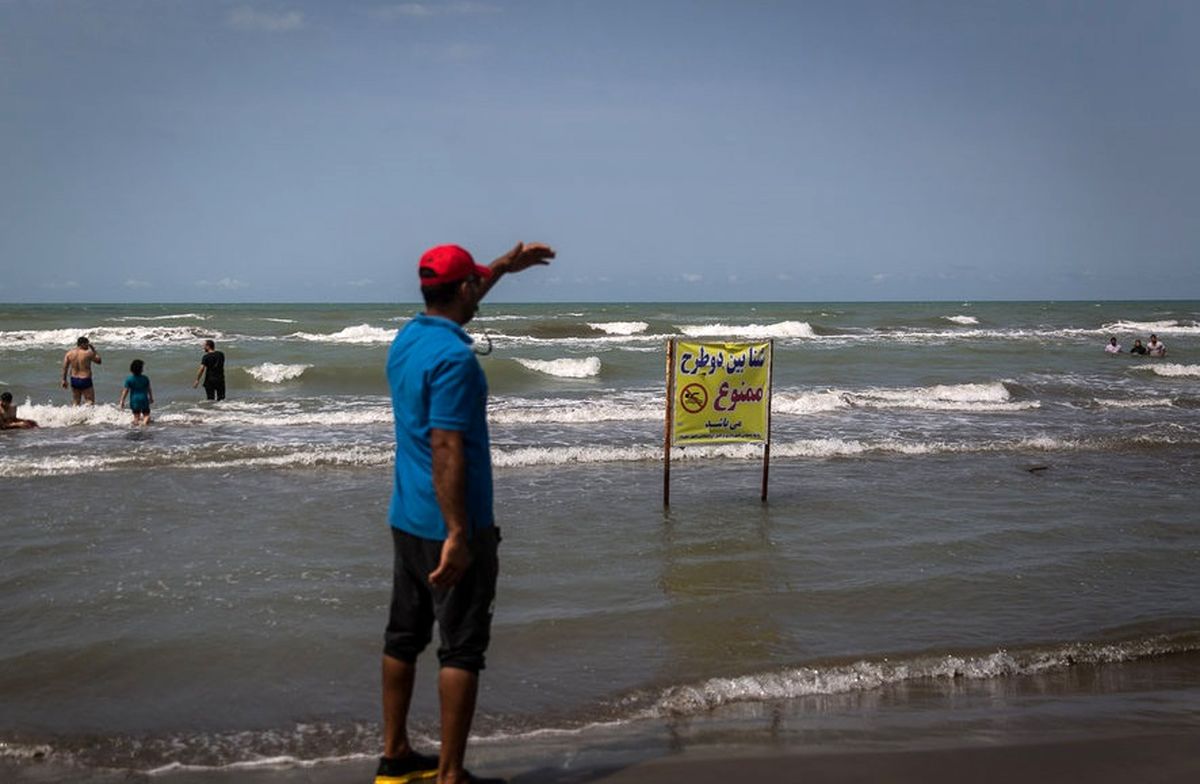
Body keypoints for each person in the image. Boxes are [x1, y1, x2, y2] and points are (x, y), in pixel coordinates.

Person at [377, 241, 554, 784]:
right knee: (462, 650)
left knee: (402, 637)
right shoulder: (455, 359)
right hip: (453, 527)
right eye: (476, 281)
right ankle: (451, 775)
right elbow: (447, 448)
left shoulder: (408, 340)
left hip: (406, 519)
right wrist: (458, 533)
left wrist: (501, 267)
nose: (480, 288)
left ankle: (396, 755)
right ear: (463, 289)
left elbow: (462, 299)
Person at [61, 335, 102, 405]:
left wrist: (64, 380)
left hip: (74, 379)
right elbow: (99, 361)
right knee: (90, 401)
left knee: (76, 401)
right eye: (87, 344)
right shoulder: (88, 353)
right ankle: (87, 415)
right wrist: (94, 350)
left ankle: (75, 415)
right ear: (82, 344)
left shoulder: (69, 353)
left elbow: (65, 367)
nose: (88, 346)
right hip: (85, 379)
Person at [119, 359, 154, 426]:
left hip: (134, 400)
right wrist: (151, 398)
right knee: (146, 414)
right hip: (144, 399)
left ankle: (136, 429)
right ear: (141, 369)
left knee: (136, 417)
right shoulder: (145, 378)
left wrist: (122, 401)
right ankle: (145, 422)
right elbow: (149, 389)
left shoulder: (129, 379)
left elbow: (125, 391)